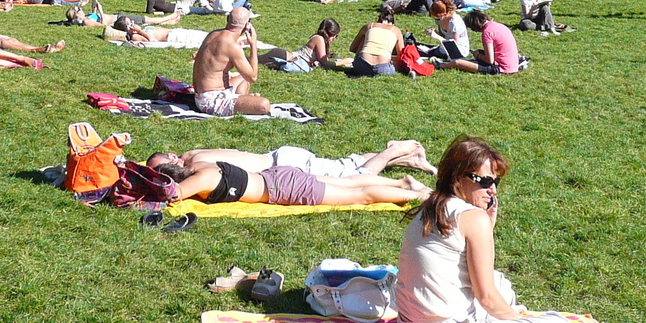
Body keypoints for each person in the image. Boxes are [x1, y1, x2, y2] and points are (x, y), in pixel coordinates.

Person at [395, 135, 572, 323]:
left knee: (500, 282)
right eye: (485, 181)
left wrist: (486, 229)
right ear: (458, 178)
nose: (493, 190)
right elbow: (486, 297)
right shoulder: (471, 217)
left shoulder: (433, 205)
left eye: (496, 181)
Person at [160, 158, 428, 208]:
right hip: (277, 175)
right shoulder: (200, 165)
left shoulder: (202, 178)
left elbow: (174, 194)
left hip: (282, 189)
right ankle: (402, 183)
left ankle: (420, 196)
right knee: (344, 182)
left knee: (360, 196)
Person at [147, 139, 436, 179]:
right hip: (279, 158)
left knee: (352, 177)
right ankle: (410, 160)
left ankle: (396, 149)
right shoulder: (195, 154)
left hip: (284, 165)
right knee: (344, 164)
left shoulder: (197, 166)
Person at [190, 7, 268, 116]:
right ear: (247, 25)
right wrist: (253, 45)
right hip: (211, 102)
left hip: (201, 95)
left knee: (243, 79)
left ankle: (245, 101)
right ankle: (246, 102)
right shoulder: (232, 46)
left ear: (227, 18)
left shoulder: (213, 34)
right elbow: (253, 76)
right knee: (264, 105)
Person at [439, 10, 519, 75]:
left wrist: (478, 56)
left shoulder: (487, 33)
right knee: (470, 60)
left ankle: (440, 65)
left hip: (502, 69)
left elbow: (489, 60)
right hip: (513, 65)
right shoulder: (499, 26)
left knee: (458, 62)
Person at [346, 4, 403, 77]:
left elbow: (352, 48)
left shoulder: (369, 26)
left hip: (361, 67)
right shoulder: (396, 30)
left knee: (365, 37)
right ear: (393, 24)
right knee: (398, 65)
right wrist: (388, 56)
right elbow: (402, 57)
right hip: (383, 69)